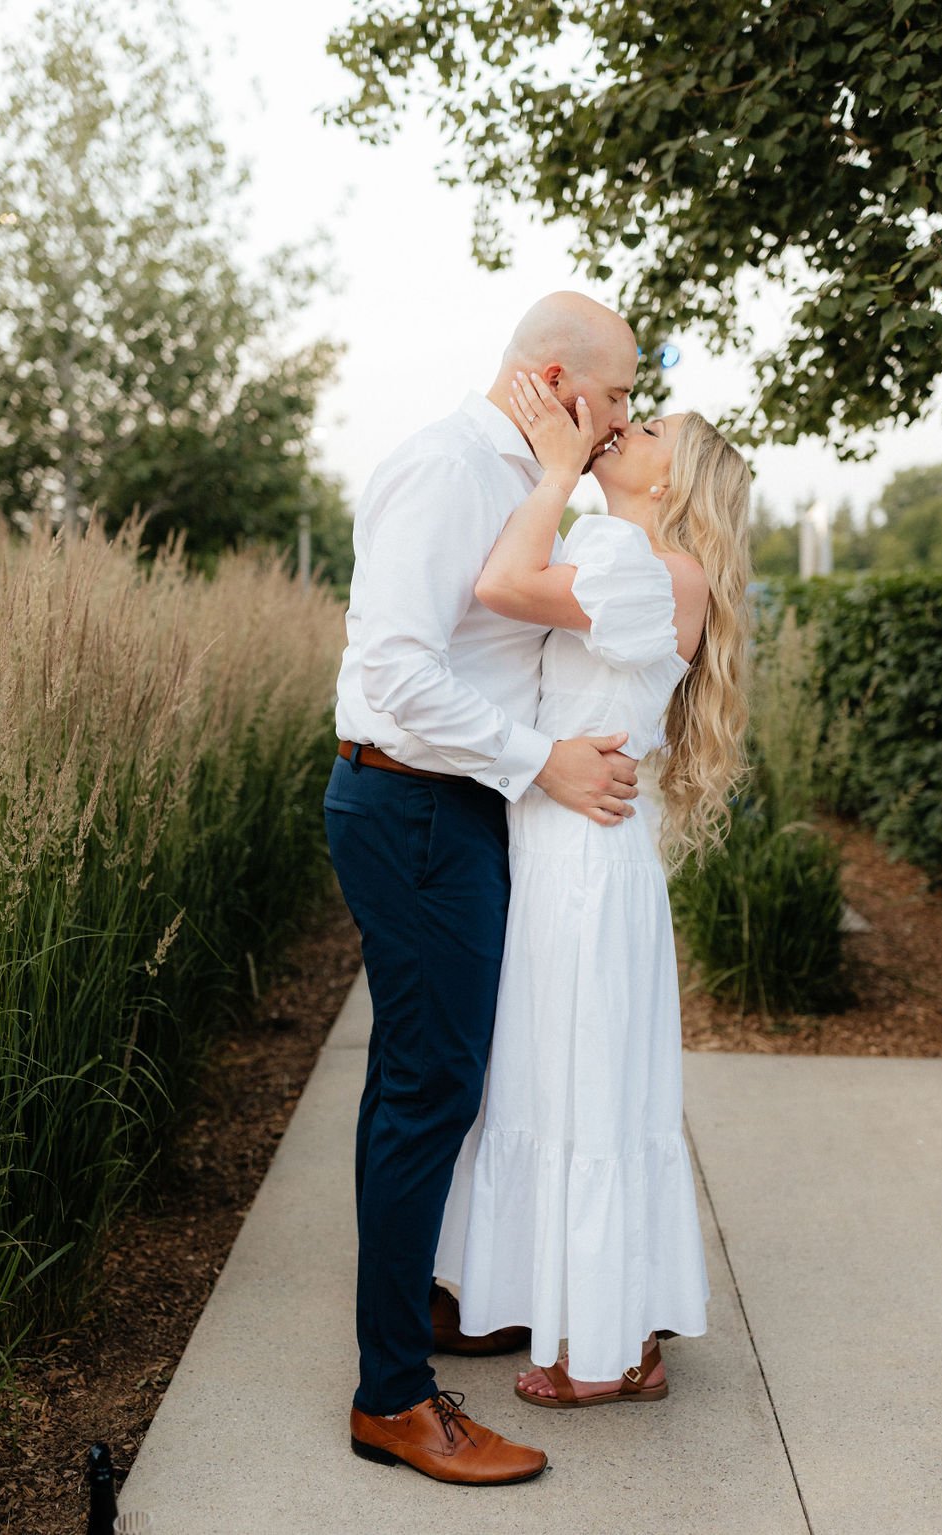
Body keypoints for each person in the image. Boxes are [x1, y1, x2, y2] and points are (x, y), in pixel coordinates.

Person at [323, 293, 646, 1485]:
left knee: (428, 1076)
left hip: (450, 807)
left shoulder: (521, 472)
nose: (622, 419)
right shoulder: (450, 467)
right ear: (559, 380)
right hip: (412, 803)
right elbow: (395, 672)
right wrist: (540, 761)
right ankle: (393, 1398)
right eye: (614, 396)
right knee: (429, 1084)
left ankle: (416, 1318)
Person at [435, 372, 753, 1406]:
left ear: (676, 477)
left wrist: (561, 469)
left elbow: (499, 585)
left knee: (586, 1084)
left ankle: (609, 1346)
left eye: (647, 427)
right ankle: (588, 1311)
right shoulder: (625, 555)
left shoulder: (650, 564)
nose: (626, 426)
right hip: (558, 846)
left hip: (583, 856)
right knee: (546, 1074)